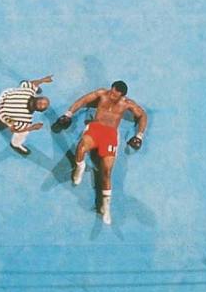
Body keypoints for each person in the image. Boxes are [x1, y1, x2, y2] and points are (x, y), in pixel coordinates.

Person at [55, 81, 148, 225]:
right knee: (81, 148)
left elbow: (143, 116)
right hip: (95, 129)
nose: (111, 96)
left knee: (106, 173)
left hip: (110, 135)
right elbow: (83, 100)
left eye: (115, 95)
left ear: (122, 96)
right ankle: (80, 167)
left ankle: (106, 206)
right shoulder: (102, 93)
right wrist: (69, 114)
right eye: (111, 92)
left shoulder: (127, 104)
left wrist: (139, 136)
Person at [0, 75, 53, 155]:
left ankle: (27, 86)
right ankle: (15, 144)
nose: (43, 103)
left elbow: (33, 83)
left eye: (43, 104)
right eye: (43, 103)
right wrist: (32, 127)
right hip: (1, 113)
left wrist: (42, 80)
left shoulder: (29, 92)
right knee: (23, 132)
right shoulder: (26, 120)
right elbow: (14, 130)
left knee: (26, 84)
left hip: (4, 95)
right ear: (39, 111)